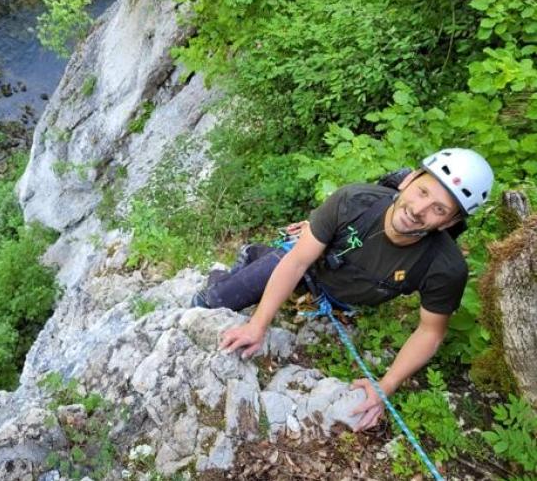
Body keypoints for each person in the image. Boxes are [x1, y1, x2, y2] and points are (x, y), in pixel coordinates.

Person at [192, 148, 494, 431]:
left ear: (450, 222)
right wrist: (257, 324)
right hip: (306, 268)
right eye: (422, 191)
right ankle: (237, 266)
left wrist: (384, 386)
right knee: (214, 301)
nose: (418, 209)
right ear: (410, 179)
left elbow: (430, 331)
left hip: (337, 299)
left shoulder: (444, 267)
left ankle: (255, 262)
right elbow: (297, 262)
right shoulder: (353, 201)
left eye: (438, 209)